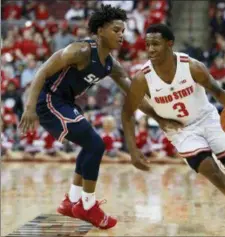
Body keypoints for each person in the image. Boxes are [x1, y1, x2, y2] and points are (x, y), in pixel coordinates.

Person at [19, 6, 181, 229]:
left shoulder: (110, 64)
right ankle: (87, 205)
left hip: (66, 103)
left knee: (90, 145)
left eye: (123, 30)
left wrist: (160, 115)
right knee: (95, 144)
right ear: (101, 30)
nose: (122, 35)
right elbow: (42, 71)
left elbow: (134, 94)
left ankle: (72, 201)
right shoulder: (80, 50)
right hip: (48, 101)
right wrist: (29, 108)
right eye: (116, 30)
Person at [121, 24, 225, 233]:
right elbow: (128, 112)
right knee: (214, 175)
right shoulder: (143, 78)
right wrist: (134, 148)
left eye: (155, 44)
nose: (150, 49)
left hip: (207, 118)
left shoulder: (192, 66)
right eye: (148, 44)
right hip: (181, 131)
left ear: (170, 44)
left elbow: (219, 92)